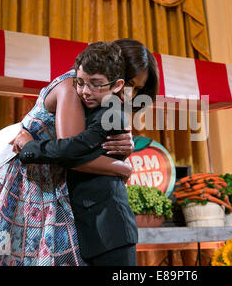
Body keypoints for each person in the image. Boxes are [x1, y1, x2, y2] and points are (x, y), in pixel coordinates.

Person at [0, 42, 137, 266]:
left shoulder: (104, 102)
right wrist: (123, 168)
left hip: (41, 176)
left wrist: (126, 143)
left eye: (94, 84)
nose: (85, 90)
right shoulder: (70, 89)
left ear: (116, 84)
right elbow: (71, 155)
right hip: (19, 176)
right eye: (82, 82)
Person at [13, 39, 160, 266]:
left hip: (106, 228)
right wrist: (123, 167)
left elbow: (75, 150)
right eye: (131, 84)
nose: (132, 95)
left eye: (138, 89)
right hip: (85, 220)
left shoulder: (107, 108)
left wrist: (30, 145)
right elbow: (71, 153)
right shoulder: (77, 91)